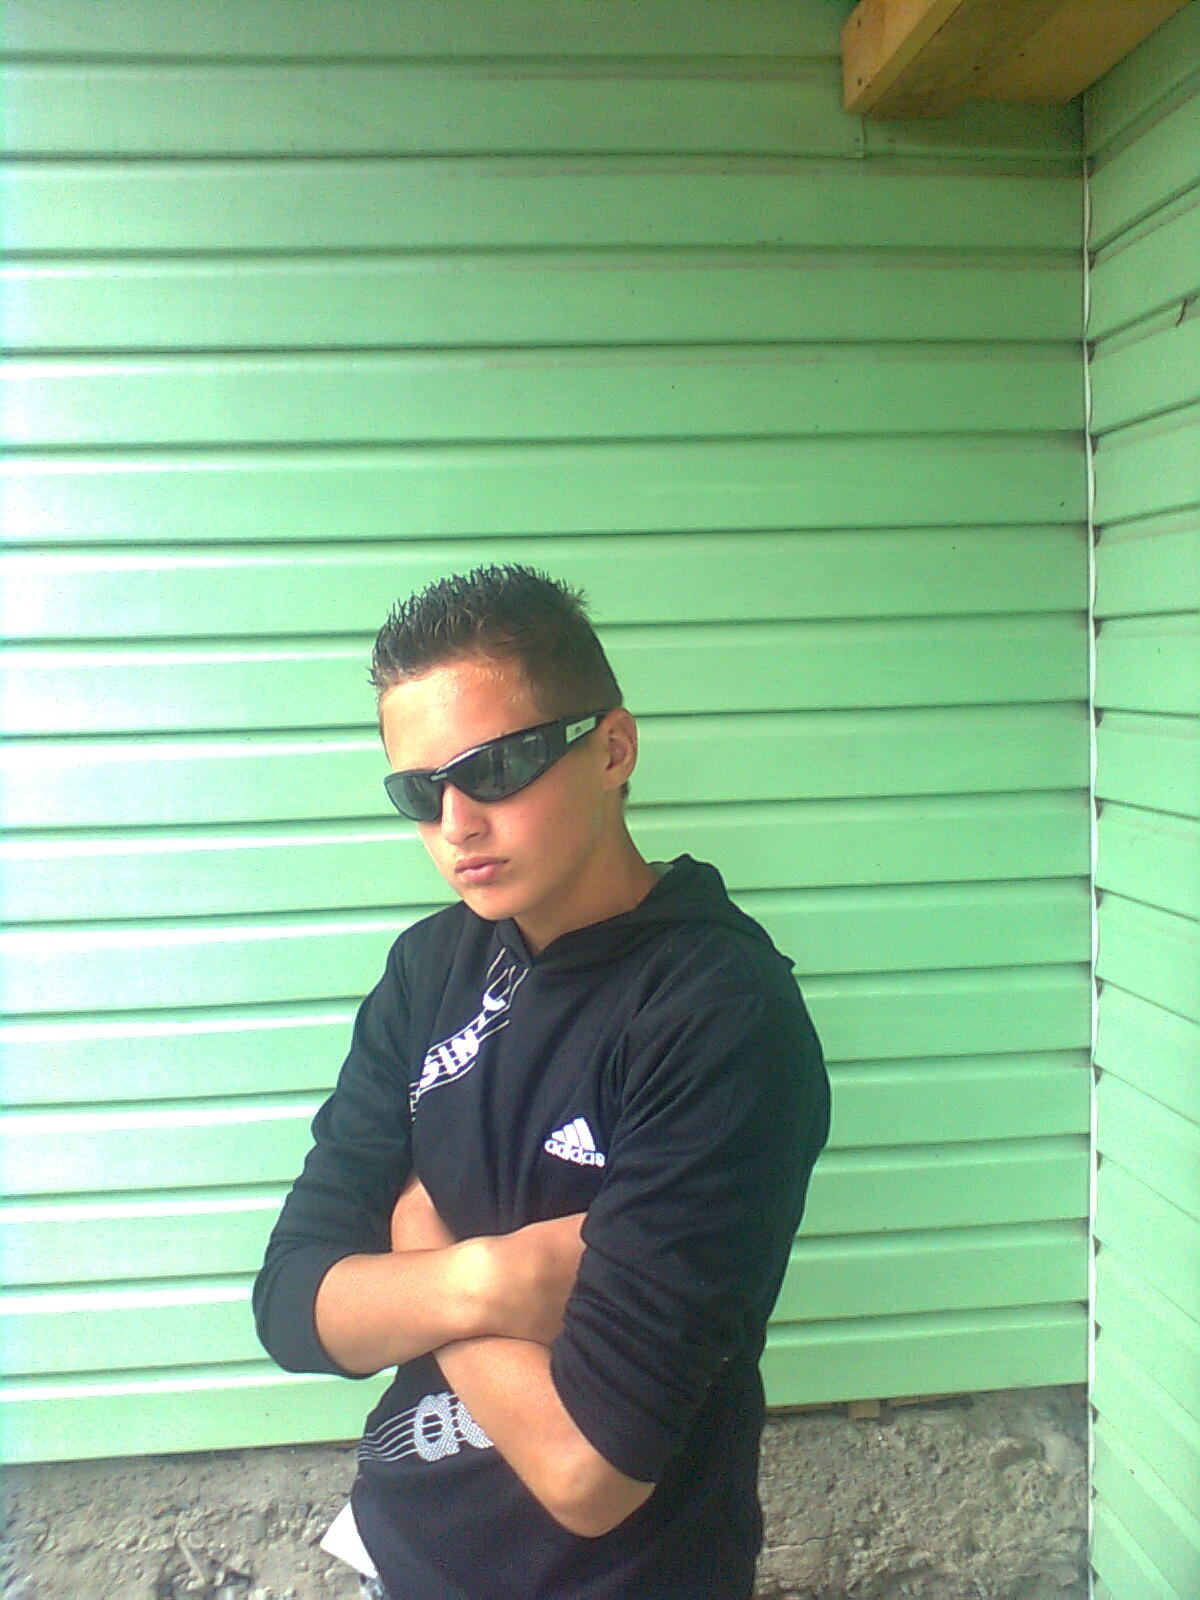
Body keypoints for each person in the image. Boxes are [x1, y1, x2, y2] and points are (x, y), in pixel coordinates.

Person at [253, 564, 829, 1600]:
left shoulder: (716, 1013)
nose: (457, 824)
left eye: (497, 767)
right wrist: (487, 1277)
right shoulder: (429, 969)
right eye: (419, 791)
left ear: (613, 747)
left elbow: (588, 1472)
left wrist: (413, 1247)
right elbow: (293, 1304)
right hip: (401, 1549)